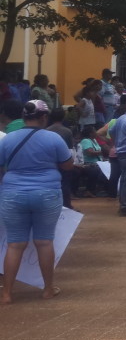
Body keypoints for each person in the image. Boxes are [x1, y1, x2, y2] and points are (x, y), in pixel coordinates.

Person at [0, 100, 73, 304]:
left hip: (13, 193)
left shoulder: (7, 139)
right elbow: (67, 166)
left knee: (14, 245)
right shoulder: (54, 138)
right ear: (44, 117)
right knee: (44, 241)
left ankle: (7, 294)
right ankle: (48, 289)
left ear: (24, 117)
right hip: (47, 193)